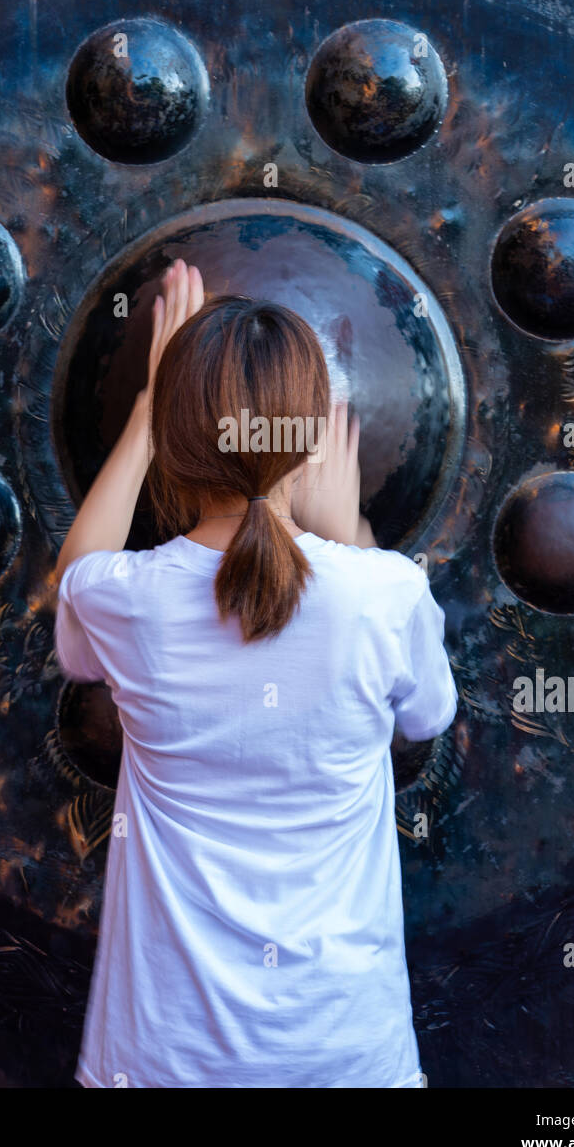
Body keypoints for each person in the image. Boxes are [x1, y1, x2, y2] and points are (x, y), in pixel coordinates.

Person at [54, 257, 458, 1089]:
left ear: (173, 445)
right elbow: (425, 717)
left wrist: (141, 419)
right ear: (310, 438)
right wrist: (348, 532)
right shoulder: (382, 592)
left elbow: (76, 576)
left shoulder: (129, 604)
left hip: (162, 1056)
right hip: (344, 1052)